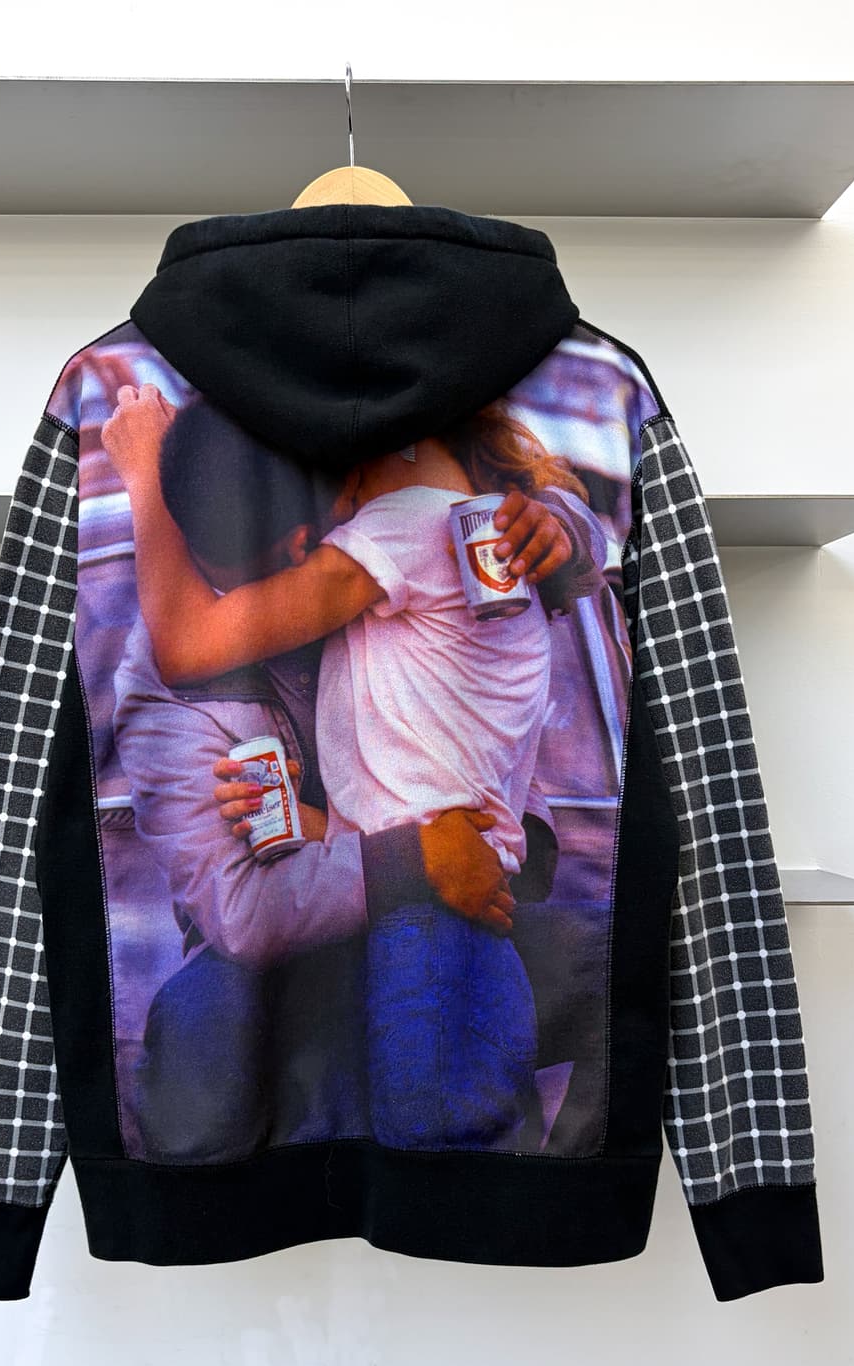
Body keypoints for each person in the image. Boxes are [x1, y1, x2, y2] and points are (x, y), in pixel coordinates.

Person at [105, 383, 605, 1154]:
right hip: (287, 947)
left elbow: (503, 512)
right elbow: (244, 912)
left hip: (471, 879)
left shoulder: (380, 543)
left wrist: (557, 525)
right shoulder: (170, 674)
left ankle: (535, 1181)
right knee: (214, 1022)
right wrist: (415, 856)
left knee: (613, 962)